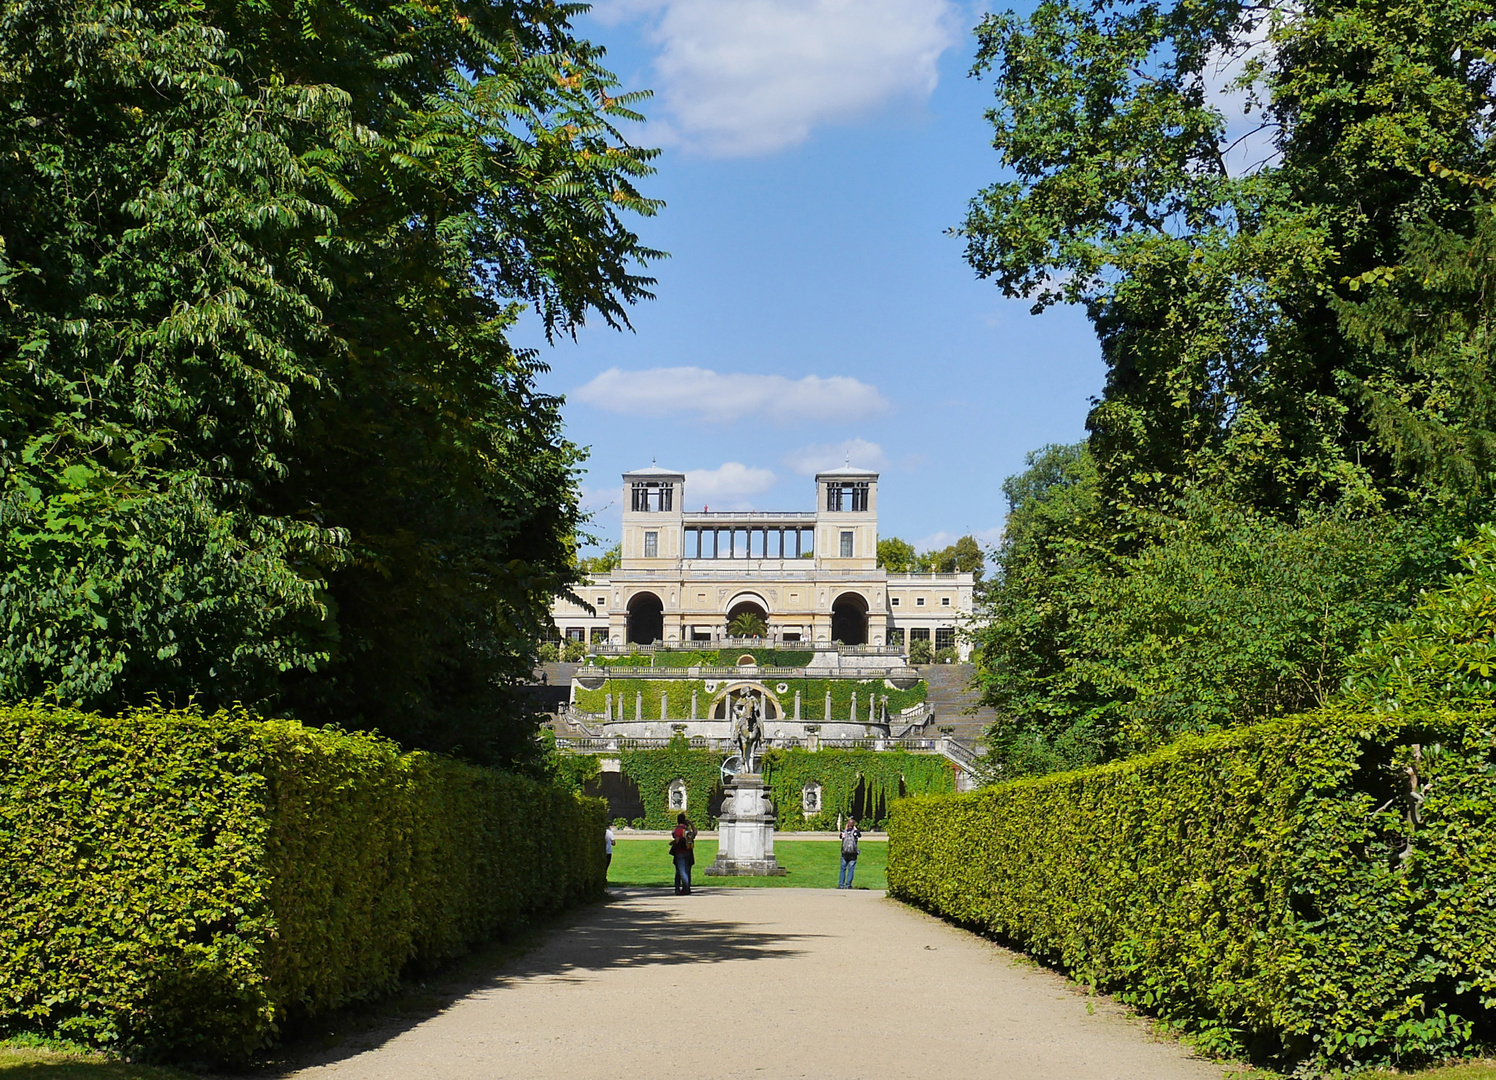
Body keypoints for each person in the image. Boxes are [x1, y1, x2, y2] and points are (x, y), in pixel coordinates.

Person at [669, 813, 696, 895]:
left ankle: (685, 889)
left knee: (681, 872)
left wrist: (671, 843)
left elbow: (677, 840)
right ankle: (683, 888)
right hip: (688, 852)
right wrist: (691, 823)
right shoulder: (687, 829)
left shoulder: (678, 829)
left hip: (680, 852)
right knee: (686, 871)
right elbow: (695, 832)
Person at [838, 817, 861, 889]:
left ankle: (841, 884)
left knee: (843, 869)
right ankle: (848, 885)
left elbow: (840, 837)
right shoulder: (855, 832)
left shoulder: (843, 832)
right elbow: (859, 835)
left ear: (847, 824)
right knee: (851, 869)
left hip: (844, 853)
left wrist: (845, 828)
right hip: (853, 854)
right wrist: (855, 829)